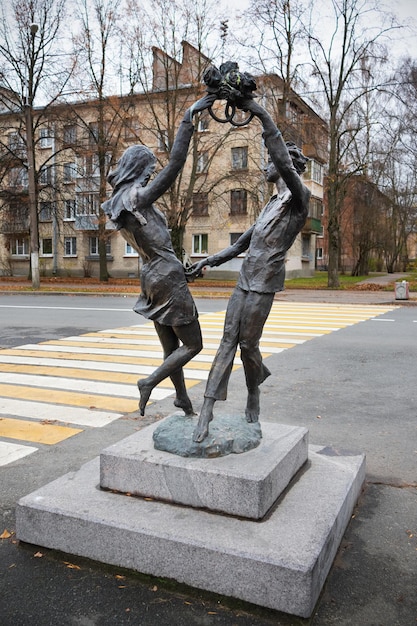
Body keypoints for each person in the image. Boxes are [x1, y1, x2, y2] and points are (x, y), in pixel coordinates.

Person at [187, 97, 311, 442]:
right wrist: (206, 262)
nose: (264, 168)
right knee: (227, 340)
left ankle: (254, 391)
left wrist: (259, 114)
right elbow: (242, 244)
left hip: (264, 285)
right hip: (244, 282)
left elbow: (282, 161)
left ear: (285, 164)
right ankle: (207, 412)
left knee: (247, 346)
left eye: (270, 162)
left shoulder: (298, 199)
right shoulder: (270, 203)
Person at [102, 93, 216, 417]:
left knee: (171, 348)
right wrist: (189, 117)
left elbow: (155, 248)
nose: (152, 177)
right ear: (139, 169)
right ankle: (149, 382)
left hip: (152, 275)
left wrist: (183, 269)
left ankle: (181, 398)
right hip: (166, 275)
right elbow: (177, 164)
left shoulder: (121, 203)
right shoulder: (138, 196)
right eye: (149, 171)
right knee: (194, 345)